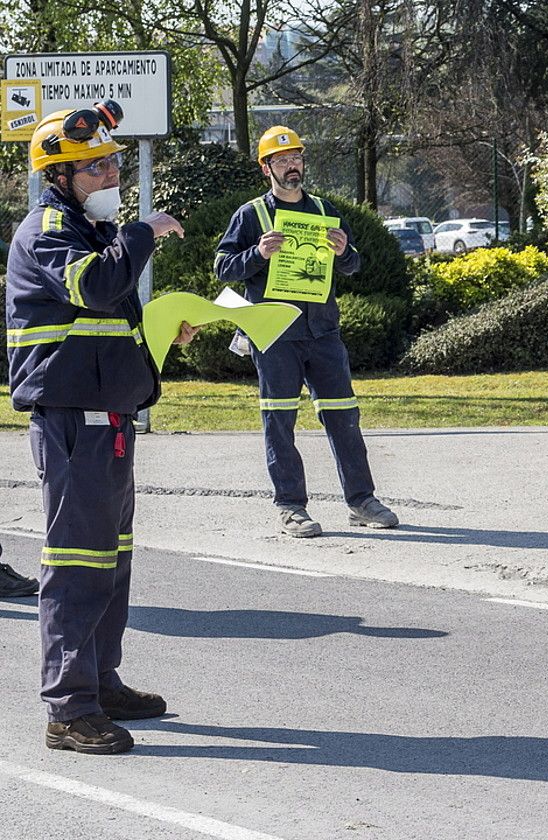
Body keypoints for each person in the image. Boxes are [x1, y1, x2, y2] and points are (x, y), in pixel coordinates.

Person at [7, 103, 195, 753]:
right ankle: (68, 707)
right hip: (72, 424)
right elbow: (96, 287)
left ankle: (99, 682)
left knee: (109, 564)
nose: (115, 173)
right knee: (77, 566)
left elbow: (103, 322)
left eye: (116, 162)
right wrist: (143, 232)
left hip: (106, 421)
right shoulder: (50, 230)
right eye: (100, 166)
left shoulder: (86, 228)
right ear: (60, 175)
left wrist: (164, 328)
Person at [214, 126, 398, 538]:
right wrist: (258, 253)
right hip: (275, 335)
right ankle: (291, 507)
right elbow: (223, 268)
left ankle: (362, 501)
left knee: (344, 418)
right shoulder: (250, 215)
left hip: (322, 333)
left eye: (295, 158)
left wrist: (343, 251)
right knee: (279, 421)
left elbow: (353, 265)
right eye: (281, 161)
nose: (291, 166)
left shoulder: (324, 210)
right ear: (266, 168)